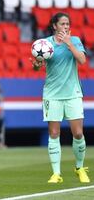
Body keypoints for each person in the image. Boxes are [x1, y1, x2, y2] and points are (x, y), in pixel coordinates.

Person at [31, 12, 89, 184]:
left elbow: (82, 60)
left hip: (72, 93)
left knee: (78, 133)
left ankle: (79, 168)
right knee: (54, 133)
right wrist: (36, 65)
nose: (66, 27)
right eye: (62, 24)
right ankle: (56, 173)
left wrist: (69, 44)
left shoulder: (75, 40)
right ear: (54, 25)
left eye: (67, 24)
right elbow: (38, 66)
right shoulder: (45, 44)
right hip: (52, 94)